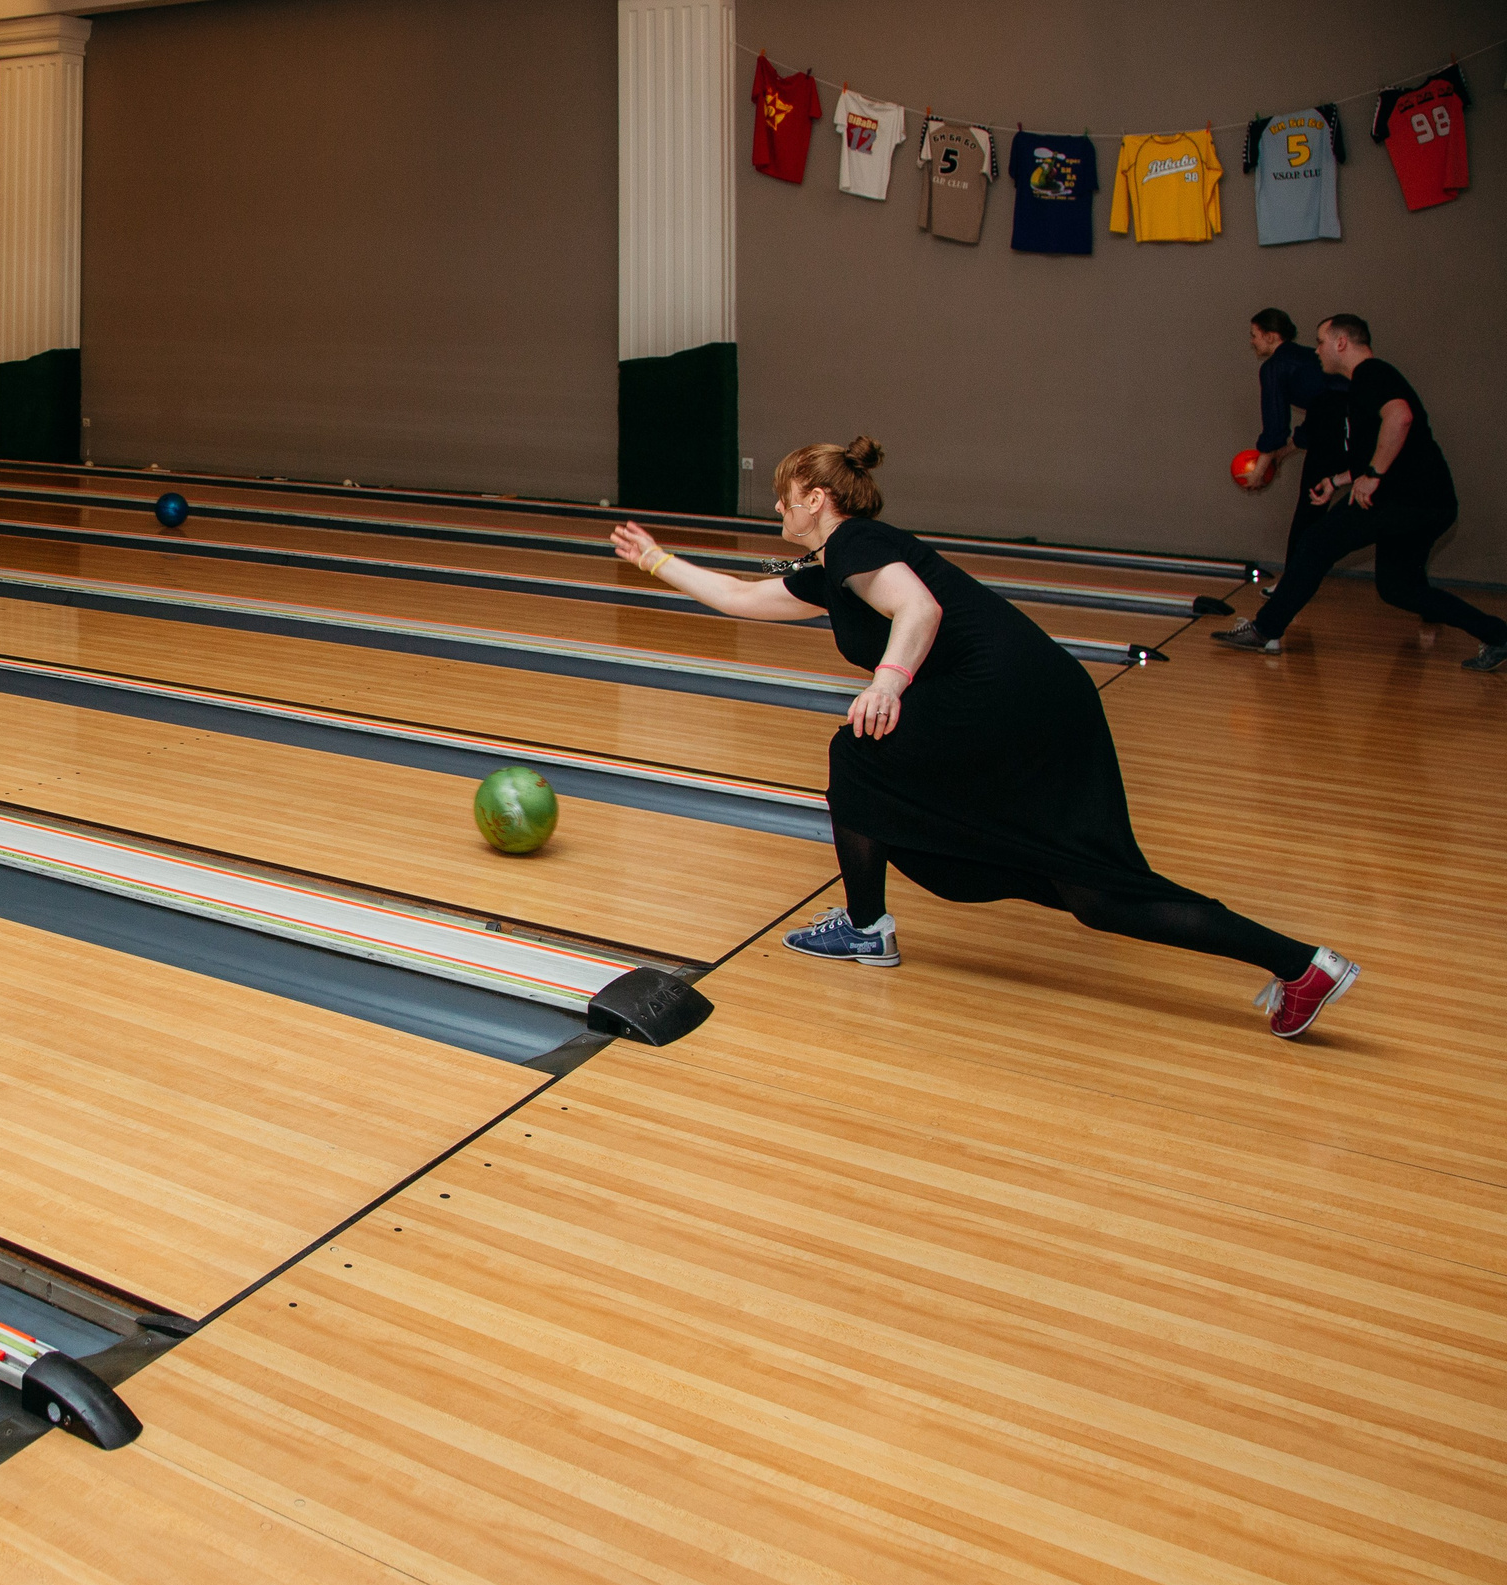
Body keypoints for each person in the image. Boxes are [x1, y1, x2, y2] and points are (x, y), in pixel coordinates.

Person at [612, 439, 1358, 1040]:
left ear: (817, 499)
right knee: (1093, 892)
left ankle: (867, 928)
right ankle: (1302, 965)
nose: (776, 506)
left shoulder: (857, 541)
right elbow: (743, 596)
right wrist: (655, 560)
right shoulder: (838, 566)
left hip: (1005, 698)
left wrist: (888, 683)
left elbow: (920, 610)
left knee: (858, 755)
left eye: (785, 494)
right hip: (1035, 700)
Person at [1216, 314, 1507, 669]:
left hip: (1403, 499)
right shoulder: (1360, 385)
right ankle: (1499, 635)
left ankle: (1264, 630)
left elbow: (1400, 418)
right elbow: (1380, 446)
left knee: (1316, 542)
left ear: (1341, 343)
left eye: (1321, 342)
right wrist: (1338, 481)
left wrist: (1372, 475)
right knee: (1398, 588)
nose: (1316, 350)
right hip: (1427, 502)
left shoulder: (1372, 373)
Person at [1244, 307, 1345, 578]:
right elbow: (1316, 418)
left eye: (1254, 335)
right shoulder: (1306, 357)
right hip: (1349, 429)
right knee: (1317, 510)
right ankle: (1298, 577)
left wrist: (1258, 470)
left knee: (1308, 511)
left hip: (1337, 433)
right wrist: (1282, 455)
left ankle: (1292, 581)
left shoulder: (1274, 367)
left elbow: (1275, 426)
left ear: (1271, 336)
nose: (1252, 341)